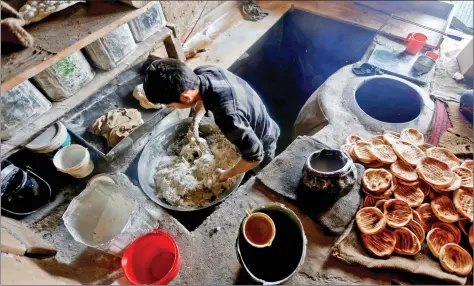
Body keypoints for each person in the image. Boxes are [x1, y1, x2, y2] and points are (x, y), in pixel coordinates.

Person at [143, 58, 280, 183]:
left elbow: (255, 156)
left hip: (264, 136)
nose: (173, 108)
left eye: (171, 106)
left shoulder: (227, 116)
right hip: (247, 114)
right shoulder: (202, 73)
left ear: (185, 98)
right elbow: (202, 97)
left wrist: (226, 174)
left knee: (265, 173)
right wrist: (195, 121)